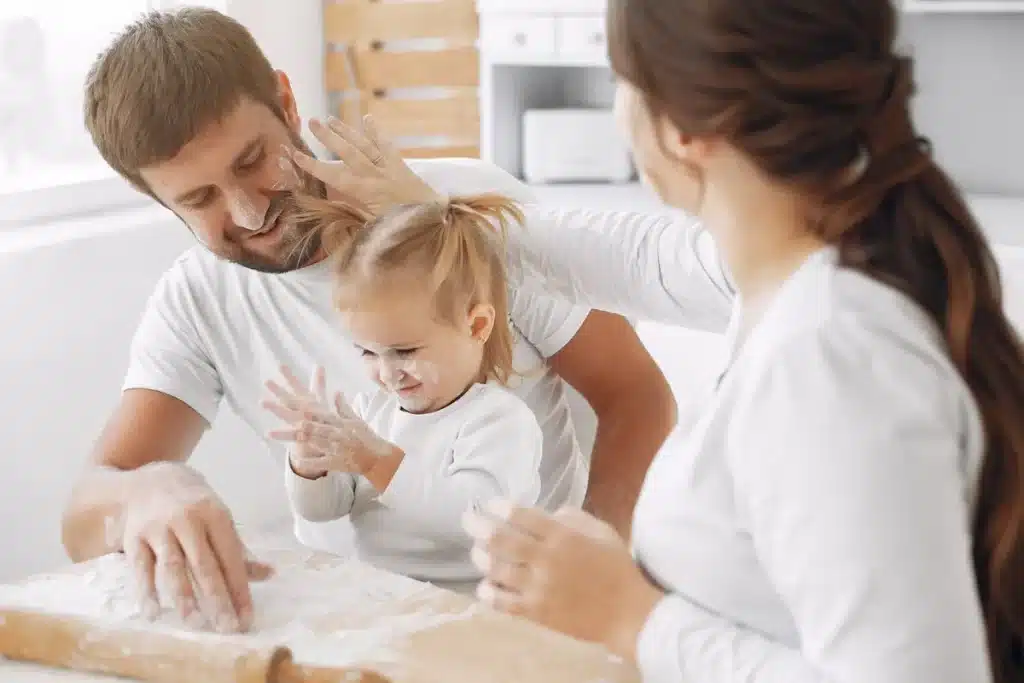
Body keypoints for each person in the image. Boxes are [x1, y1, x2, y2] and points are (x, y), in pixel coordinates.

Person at [60, 7, 678, 635]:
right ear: (156, 199)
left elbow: (636, 396)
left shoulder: (460, 212)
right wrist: (146, 494)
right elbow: (84, 516)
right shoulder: (198, 299)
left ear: (286, 101)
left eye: (252, 160)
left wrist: (592, 565)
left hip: (523, 618)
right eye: (198, 199)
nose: (247, 213)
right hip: (362, 627)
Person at [458, 0, 1024, 681]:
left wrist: (630, 614)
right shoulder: (807, 270)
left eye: (621, 81)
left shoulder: (829, 352)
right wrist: (450, 213)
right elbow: (642, 259)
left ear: (687, 128)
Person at [261, 194, 545, 591]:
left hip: (477, 601)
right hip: (386, 593)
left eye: (405, 351)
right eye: (368, 352)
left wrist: (376, 460)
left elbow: (477, 518)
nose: (388, 372)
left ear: (476, 326)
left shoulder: (499, 421)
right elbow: (323, 511)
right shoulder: (372, 411)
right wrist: (310, 464)